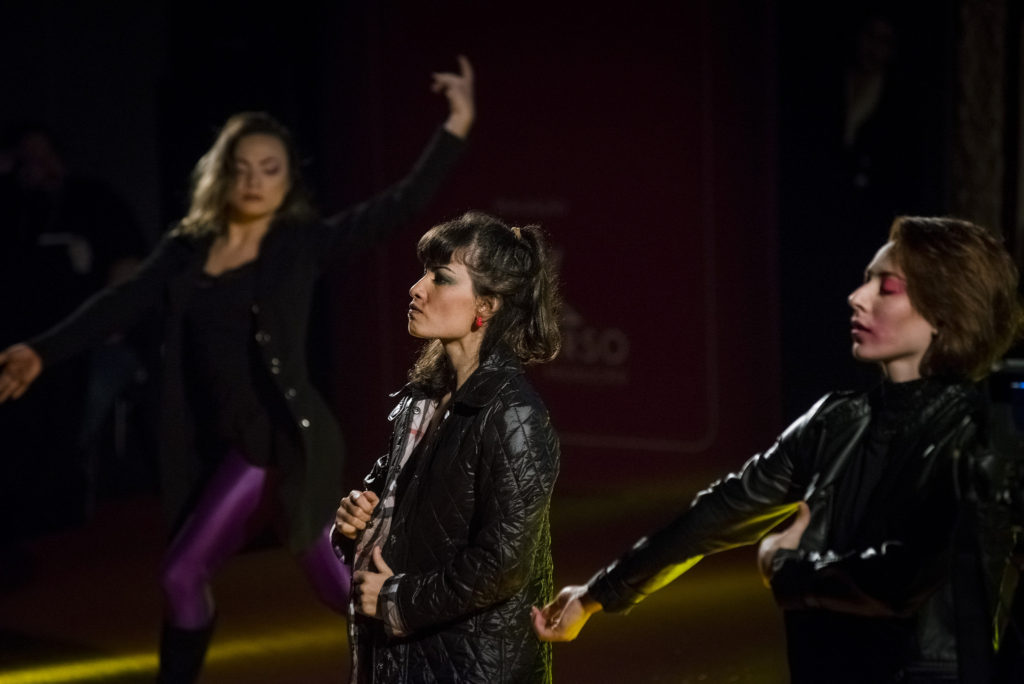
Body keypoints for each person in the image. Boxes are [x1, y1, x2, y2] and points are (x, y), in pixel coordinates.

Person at [0, 56, 474, 683]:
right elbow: (120, 300)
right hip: (221, 444)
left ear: (287, 183)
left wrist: (457, 123)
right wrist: (42, 349)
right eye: (242, 168)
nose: (254, 181)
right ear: (221, 175)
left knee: (337, 590)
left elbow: (398, 205)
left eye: (269, 170)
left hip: (285, 441)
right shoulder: (187, 247)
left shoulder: (299, 243)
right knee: (181, 575)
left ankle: (433, 660)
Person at [533, 216, 1023, 683]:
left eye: (887, 287)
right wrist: (597, 594)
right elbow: (717, 514)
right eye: (865, 281)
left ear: (945, 310)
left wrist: (784, 566)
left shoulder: (982, 430)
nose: (857, 297)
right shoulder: (835, 421)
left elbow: (903, 577)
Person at [334, 211, 562, 683]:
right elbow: (395, 514)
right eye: (424, 273)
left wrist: (397, 599)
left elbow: (501, 566)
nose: (417, 289)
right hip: (407, 659)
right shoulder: (421, 398)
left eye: (440, 278)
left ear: (489, 304)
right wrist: (356, 521)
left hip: (472, 667)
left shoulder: (514, 414)